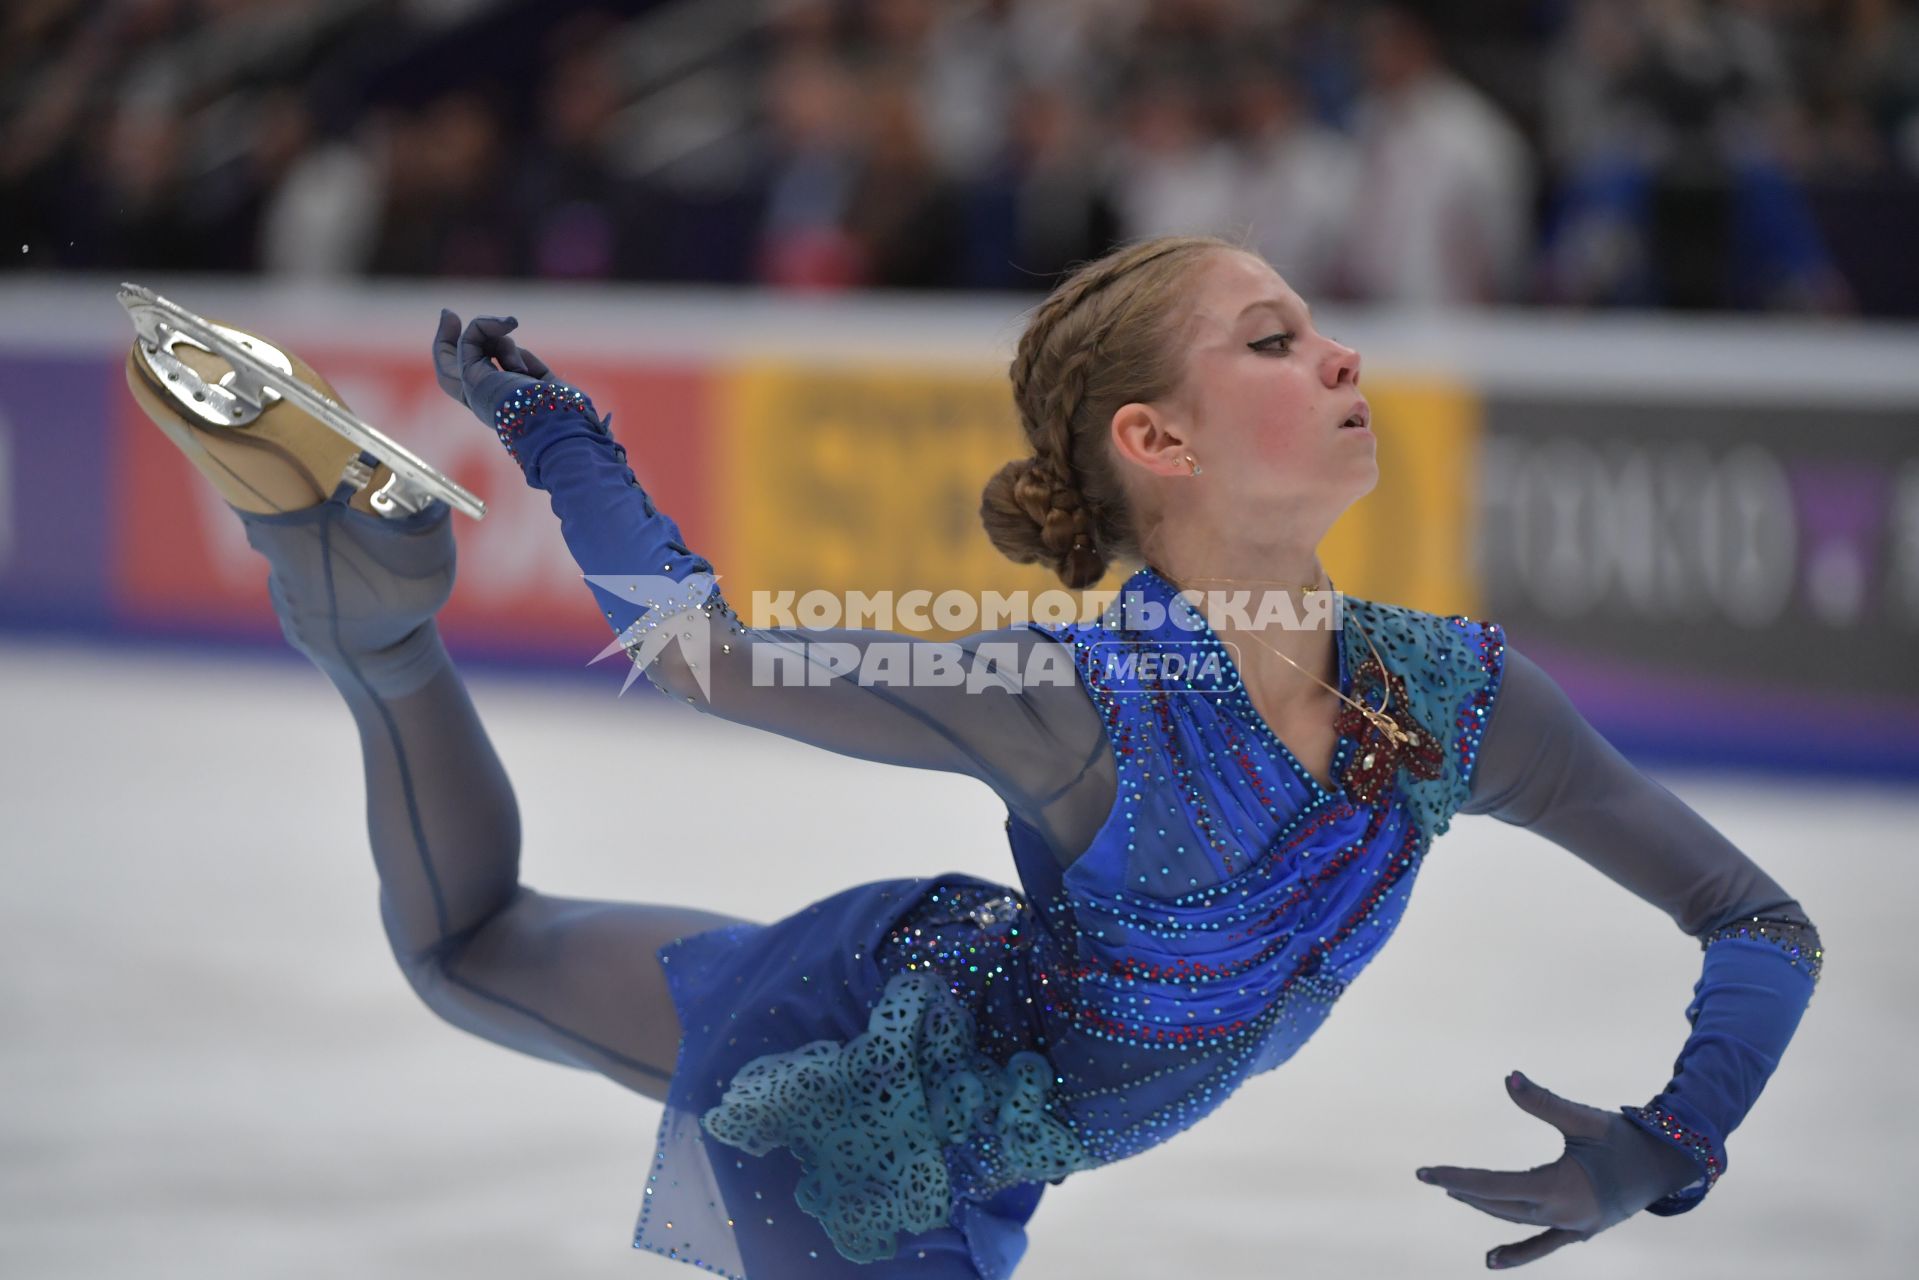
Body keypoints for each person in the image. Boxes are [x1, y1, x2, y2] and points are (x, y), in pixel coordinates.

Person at [124, 234, 1822, 1278]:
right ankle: (375, 622)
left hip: (981, 1058)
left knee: (469, 945)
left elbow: (1763, 926)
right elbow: (703, 650)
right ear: (1156, 442)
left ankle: (370, 623)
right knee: (460, 953)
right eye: (1277, 338)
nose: (1342, 353)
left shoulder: (1458, 702)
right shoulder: (1072, 697)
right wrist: (560, 434)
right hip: (880, 1112)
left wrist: (1679, 1136)